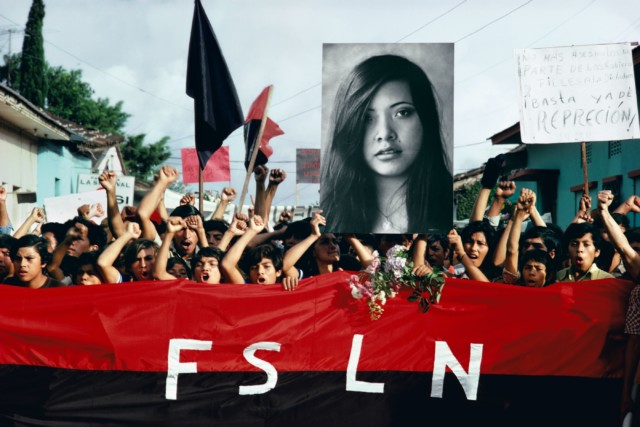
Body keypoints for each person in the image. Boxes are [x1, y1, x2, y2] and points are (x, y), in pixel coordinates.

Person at [321, 54, 451, 233]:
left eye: (402, 113)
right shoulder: (325, 221)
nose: (385, 133)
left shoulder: (451, 208)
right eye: (366, 117)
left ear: (426, 119)